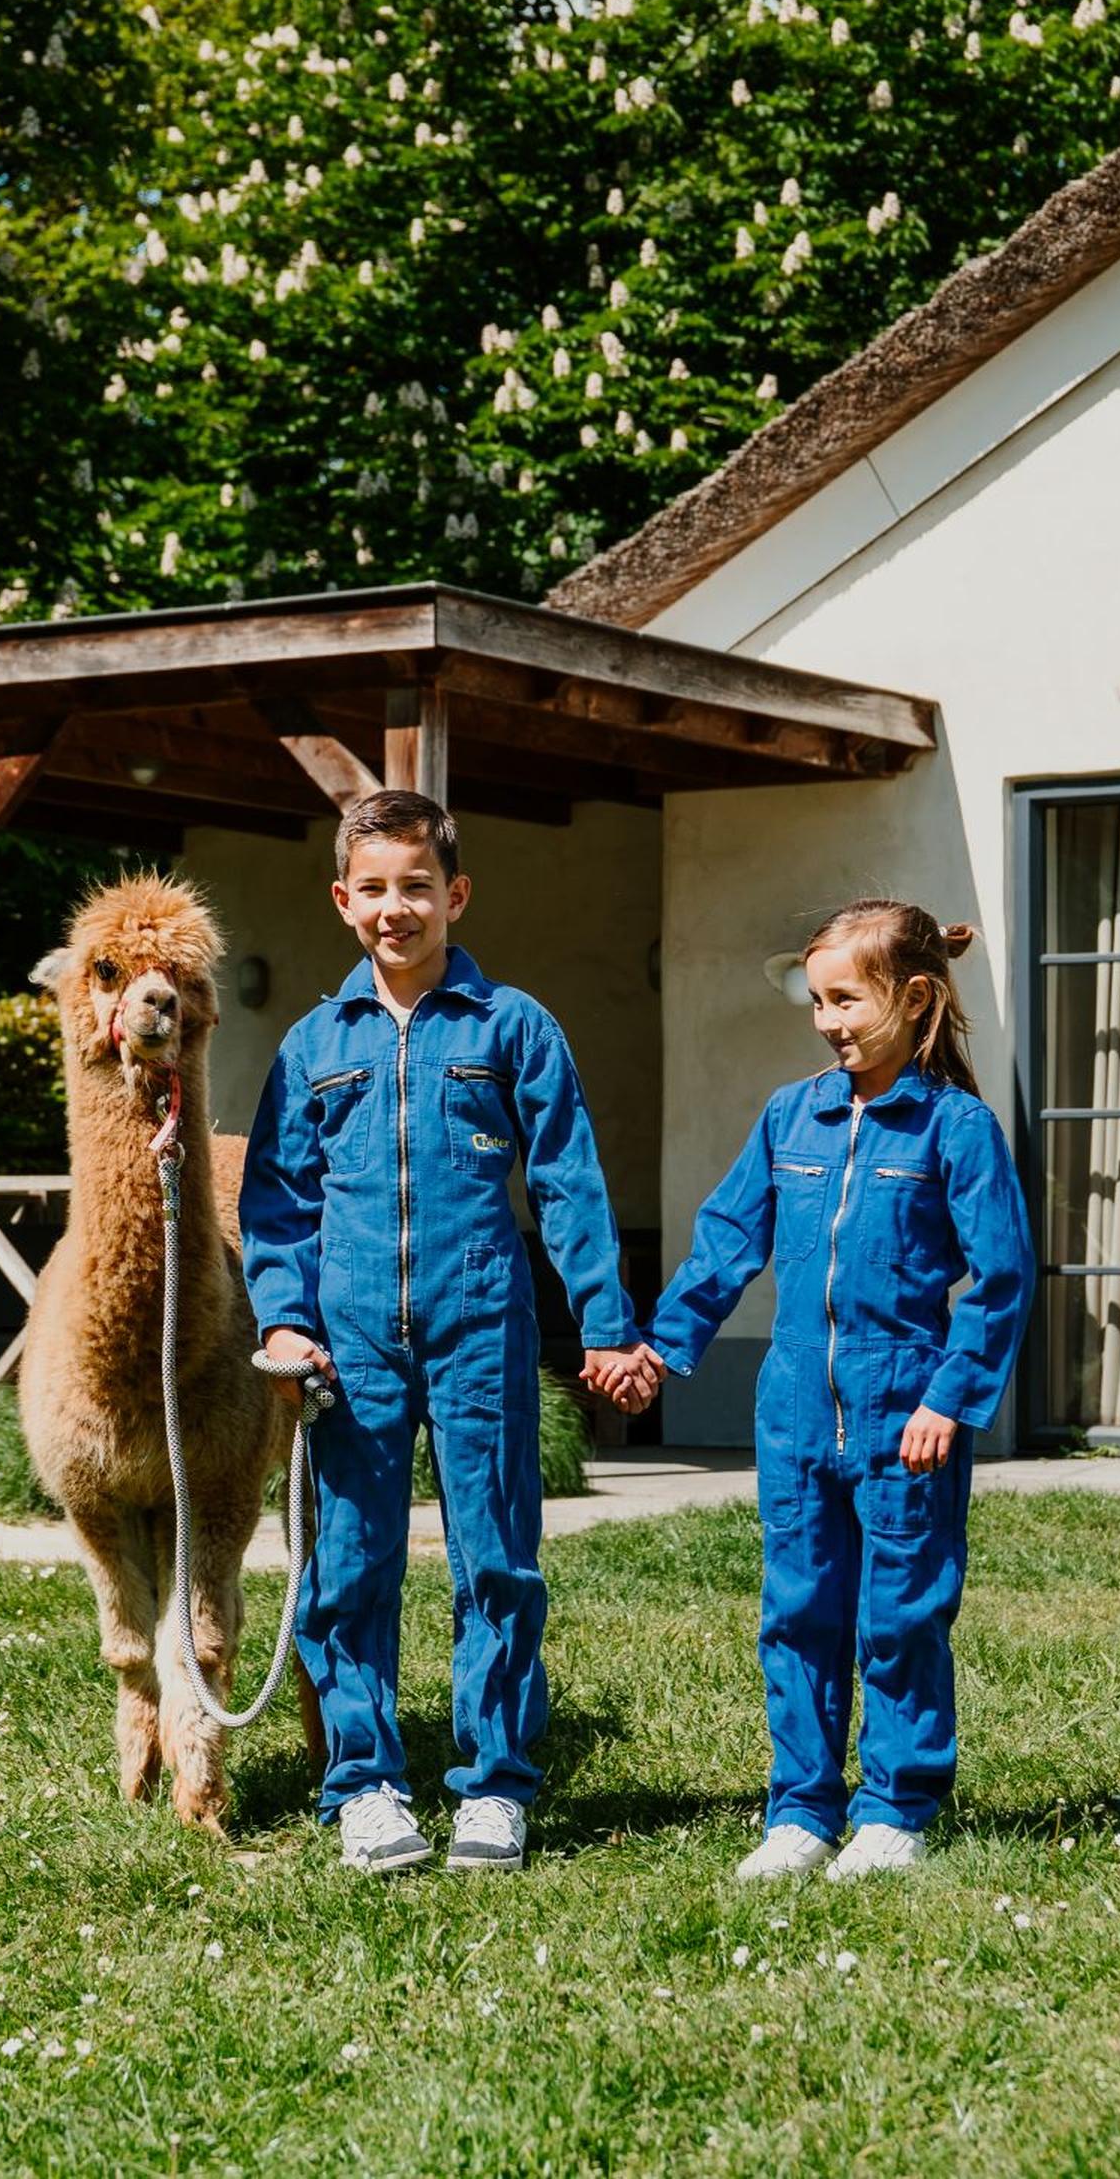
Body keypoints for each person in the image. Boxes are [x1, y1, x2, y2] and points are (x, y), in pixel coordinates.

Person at [583, 900, 1031, 1883]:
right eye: (818, 1001)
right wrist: (657, 1352)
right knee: (798, 1614)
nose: (827, 1021)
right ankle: (801, 1810)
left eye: (846, 1000)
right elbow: (725, 1242)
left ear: (916, 999)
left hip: (906, 1418)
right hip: (791, 1417)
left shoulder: (957, 1129)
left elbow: (1001, 1280)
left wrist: (949, 1399)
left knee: (901, 1615)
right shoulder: (792, 1116)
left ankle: (896, 1810)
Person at [241, 788, 638, 1874]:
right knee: (348, 1567)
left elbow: (568, 1184)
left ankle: (495, 1786)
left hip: (483, 1330)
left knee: (497, 1561)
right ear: (341, 900)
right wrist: (286, 1320)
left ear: (456, 894)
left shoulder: (514, 1027)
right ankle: (365, 1785)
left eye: (417, 886)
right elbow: (278, 1201)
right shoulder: (313, 1045)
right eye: (373, 888)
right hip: (350, 1343)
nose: (396, 908)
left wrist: (605, 1324)